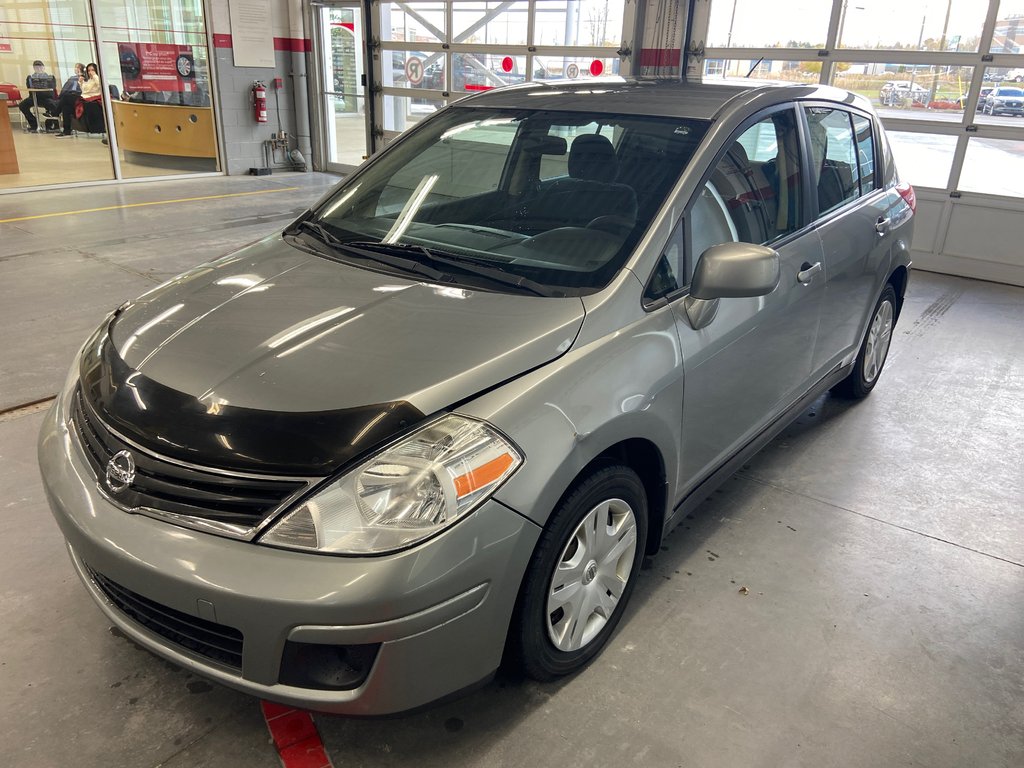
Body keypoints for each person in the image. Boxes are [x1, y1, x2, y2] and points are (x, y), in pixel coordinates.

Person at [57, 62, 102, 138]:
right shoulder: (89, 80)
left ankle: (55, 112)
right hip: (84, 98)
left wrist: (95, 75)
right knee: (66, 107)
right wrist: (81, 82)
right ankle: (66, 131)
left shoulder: (98, 79)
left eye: (92, 70)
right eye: (89, 70)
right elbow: (84, 91)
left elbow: (100, 85)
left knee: (67, 96)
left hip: (91, 100)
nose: (90, 72)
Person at [18, 60, 57, 132]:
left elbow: (52, 89)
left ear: (43, 67)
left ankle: (49, 125)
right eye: (36, 67)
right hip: (34, 97)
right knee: (22, 105)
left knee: (52, 105)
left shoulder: (50, 77)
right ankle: (34, 124)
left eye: (40, 67)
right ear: (34, 68)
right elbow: (29, 88)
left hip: (46, 98)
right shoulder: (30, 78)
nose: (38, 69)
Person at [50, 63, 84, 133]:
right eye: (75, 67)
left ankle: (54, 113)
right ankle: (67, 130)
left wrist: (81, 77)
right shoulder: (72, 78)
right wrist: (59, 97)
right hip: (70, 97)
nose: (76, 69)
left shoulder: (85, 78)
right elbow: (65, 88)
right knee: (66, 108)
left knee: (66, 96)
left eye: (78, 68)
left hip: (79, 97)